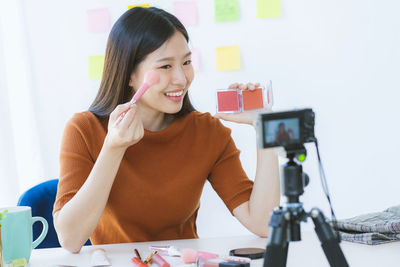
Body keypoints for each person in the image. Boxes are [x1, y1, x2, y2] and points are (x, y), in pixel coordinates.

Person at [53, 7, 280, 253]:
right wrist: (112, 148)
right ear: (129, 75)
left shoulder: (208, 132)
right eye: (165, 67)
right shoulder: (84, 130)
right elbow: (70, 239)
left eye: (186, 62)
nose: (181, 79)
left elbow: (264, 223)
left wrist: (263, 126)